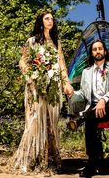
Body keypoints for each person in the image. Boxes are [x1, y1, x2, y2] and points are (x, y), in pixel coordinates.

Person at [12, 10, 73, 174]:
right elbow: (22, 62)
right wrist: (31, 77)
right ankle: (31, 160)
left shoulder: (56, 42)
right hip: (35, 89)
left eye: (52, 19)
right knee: (35, 121)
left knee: (50, 123)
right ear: (41, 22)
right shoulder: (31, 41)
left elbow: (61, 66)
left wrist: (66, 84)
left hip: (52, 89)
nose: (50, 21)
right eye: (47, 18)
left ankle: (48, 160)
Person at [68, 39, 109, 177]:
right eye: (95, 49)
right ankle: (92, 163)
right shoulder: (86, 72)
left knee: (91, 115)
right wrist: (72, 94)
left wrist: (103, 99)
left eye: (100, 48)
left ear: (105, 51)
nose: (97, 51)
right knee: (90, 123)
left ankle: (80, 118)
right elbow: (83, 94)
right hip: (93, 109)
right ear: (92, 53)